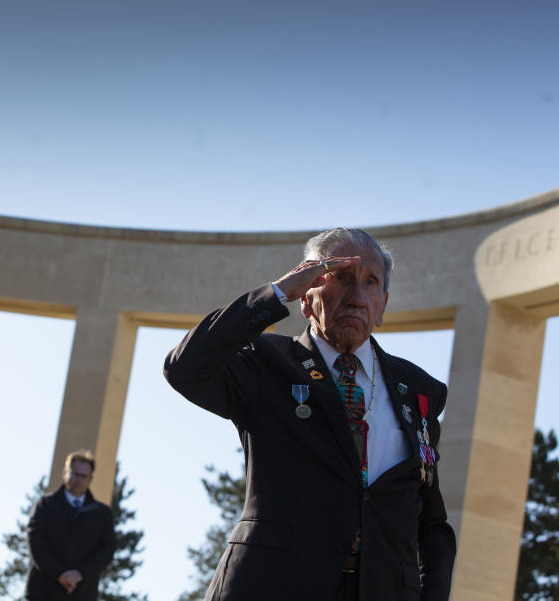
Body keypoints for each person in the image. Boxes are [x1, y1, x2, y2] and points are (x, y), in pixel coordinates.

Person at [164, 227, 456, 601]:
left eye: (370, 283)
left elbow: (429, 522)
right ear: (306, 296)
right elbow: (185, 368)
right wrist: (278, 291)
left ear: (382, 305)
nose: (356, 296)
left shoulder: (419, 390)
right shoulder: (266, 363)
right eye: (341, 278)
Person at [26, 450, 117, 601]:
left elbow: (107, 550)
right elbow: (35, 542)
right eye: (74, 474)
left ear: (90, 479)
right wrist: (59, 574)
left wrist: (80, 573)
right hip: (43, 592)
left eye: (83, 476)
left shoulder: (102, 514)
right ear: (65, 473)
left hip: (82, 594)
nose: (78, 479)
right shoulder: (45, 505)